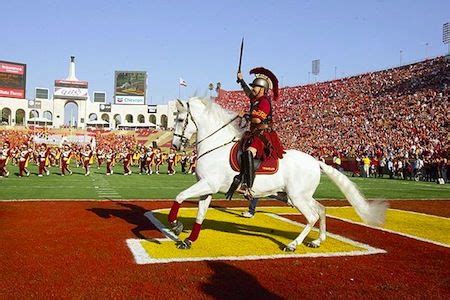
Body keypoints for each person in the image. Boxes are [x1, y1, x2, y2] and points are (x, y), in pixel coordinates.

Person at [226, 67, 284, 200]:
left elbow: (257, 119)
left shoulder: (264, 101)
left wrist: (245, 115)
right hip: (254, 133)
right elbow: (248, 93)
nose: (253, 88)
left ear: (262, 89)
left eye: (255, 86)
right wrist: (241, 81)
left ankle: (248, 187)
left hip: (263, 134)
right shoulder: (256, 99)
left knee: (248, 152)